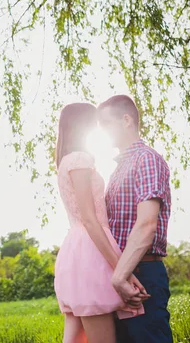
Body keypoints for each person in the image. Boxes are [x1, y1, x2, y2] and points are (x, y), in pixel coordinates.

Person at [54, 102, 148, 343]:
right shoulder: (80, 159)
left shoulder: (66, 160)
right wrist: (122, 270)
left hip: (76, 249)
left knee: (76, 338)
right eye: (96, 122)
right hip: (90, 249)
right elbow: (89, 219)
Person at [97, 95, 173, 343]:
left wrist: (120, 276)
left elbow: (147, 224)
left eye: (106, 124)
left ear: (126, 120)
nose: (103, 132)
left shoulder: (147, 159)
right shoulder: (118, 168)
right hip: (123, 272)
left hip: (142, 272)